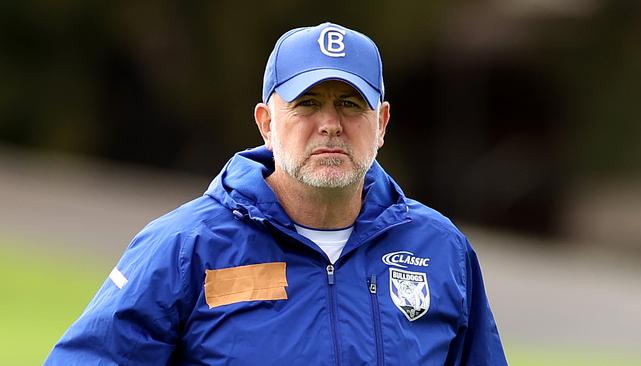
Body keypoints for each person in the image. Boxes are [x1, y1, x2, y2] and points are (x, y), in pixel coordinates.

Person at [45, 22, 508, 365]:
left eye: (349, 104)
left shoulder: (441, 249)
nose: (330, 124)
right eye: (307, 103)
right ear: (266, 123)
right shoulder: (184, 246)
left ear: (382, 124)